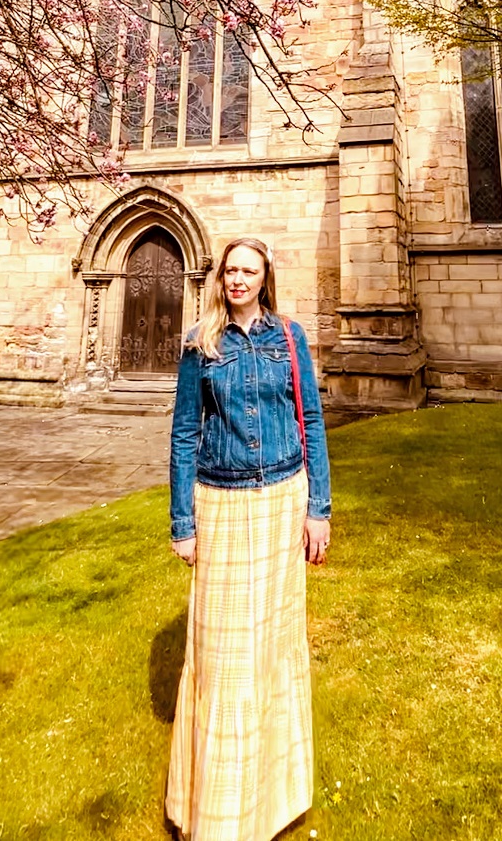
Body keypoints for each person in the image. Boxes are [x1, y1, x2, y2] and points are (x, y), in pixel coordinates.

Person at [165, 236, 332, 841]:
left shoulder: (288, 337)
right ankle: (214, 812)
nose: (238, 280)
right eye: (230, 270)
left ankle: (274, 798)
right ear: (219, 277)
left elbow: (310, 419)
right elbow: (185, 433)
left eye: (249, 271)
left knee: (272, 648)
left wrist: (320, 509)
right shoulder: (199, 343)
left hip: (282, 500)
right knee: (223, 657)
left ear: (264, 279)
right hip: (222, 502)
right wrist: (183, 523)